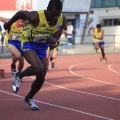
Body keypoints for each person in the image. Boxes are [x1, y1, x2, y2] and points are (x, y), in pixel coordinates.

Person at [4, 0, 66, 110]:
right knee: (38, 67)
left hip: (42, 45)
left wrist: (53, 39)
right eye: (53, 15)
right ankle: (19, 75)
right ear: (47, 10)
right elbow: (20, 13)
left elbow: (57, 34)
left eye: (57, 14)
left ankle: (29, 98)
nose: (55, 18)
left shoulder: (61, 19)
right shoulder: (35, 16)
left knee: (41, 77)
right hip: (28, 42)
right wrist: (8, 24)